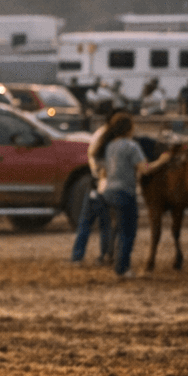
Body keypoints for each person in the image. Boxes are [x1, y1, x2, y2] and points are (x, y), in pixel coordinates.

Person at [96, 113, 171, 279]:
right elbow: (144, 169)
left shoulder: (110, 146)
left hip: (109, 192)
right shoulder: (131, 146)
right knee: (128, 233)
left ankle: (116, 263)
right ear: (128, 128)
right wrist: (162, 160)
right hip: (125, 192)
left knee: (118, 230)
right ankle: (123, 269)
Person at [71, 112, 122, 266]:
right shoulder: (114, 140)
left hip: (94, 185)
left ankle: (77, 256)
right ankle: (106, 255)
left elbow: (92, 156)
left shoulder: (100, 135)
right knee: (106, 224)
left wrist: (97, 173)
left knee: (85, 223)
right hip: (106, 186)